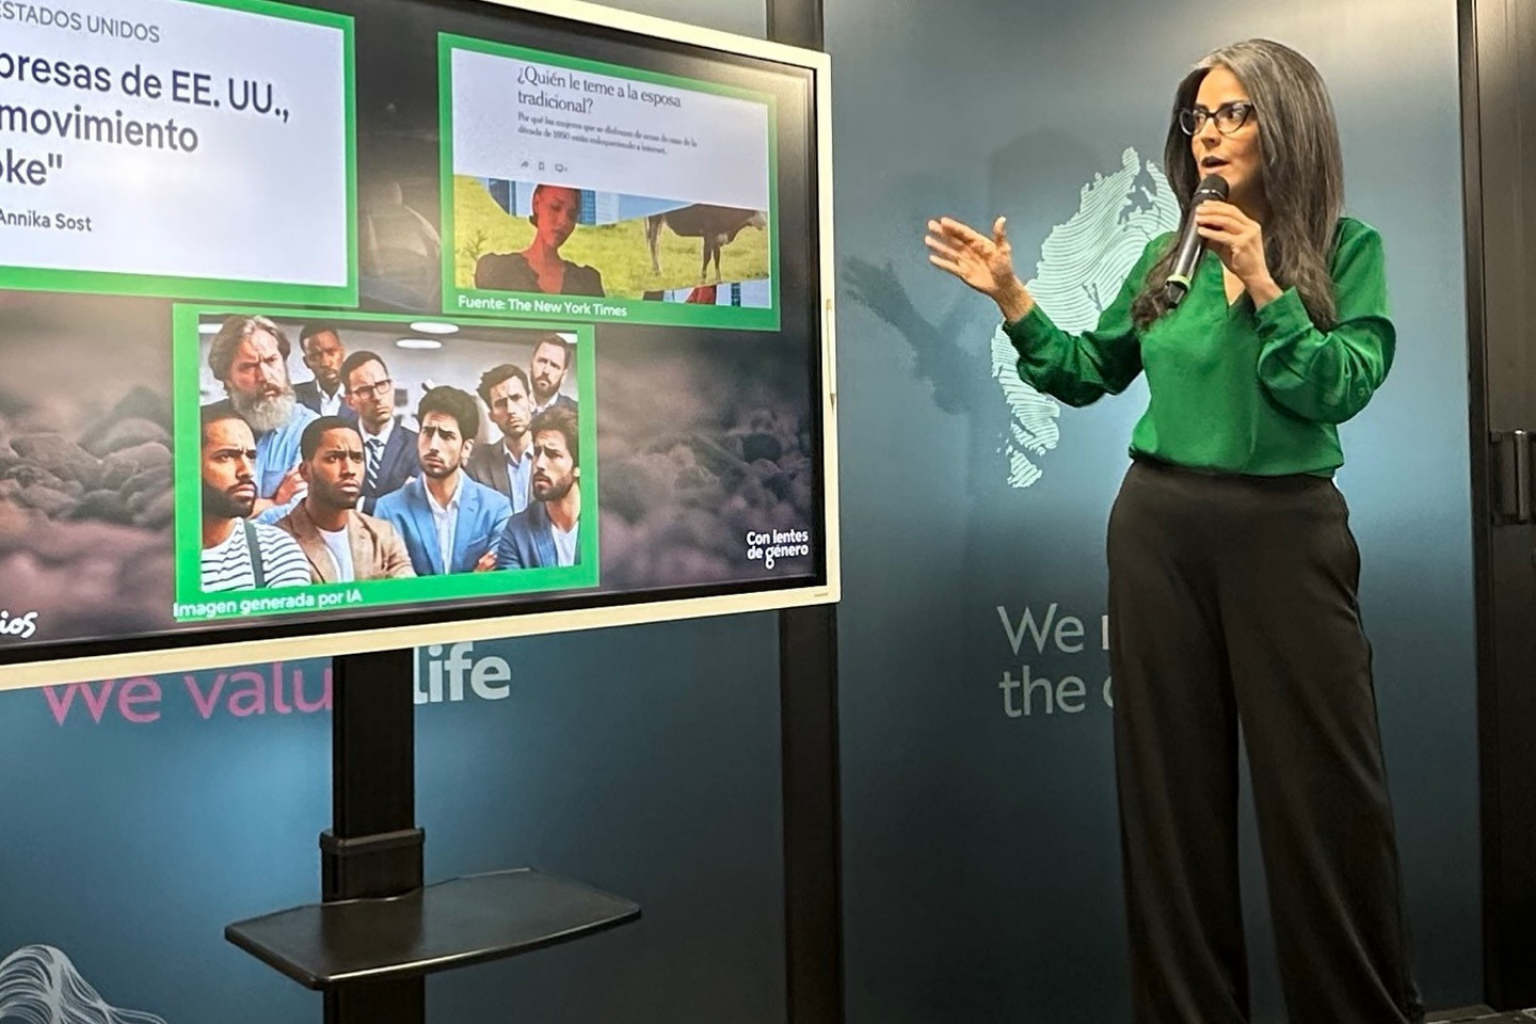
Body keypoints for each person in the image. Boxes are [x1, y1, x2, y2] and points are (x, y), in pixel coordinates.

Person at [924, 39, 1422, 1024]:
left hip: (1288, 535)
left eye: (1234, 113)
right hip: (1158, 530)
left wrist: (1266, 284)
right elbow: (1086, 370)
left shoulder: (1346, 249)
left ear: (1288, 125)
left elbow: (1333, 385)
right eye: (1200, 116)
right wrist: (1015, 299)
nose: (1210, 135)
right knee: (1171, 810)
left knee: (1326, 804)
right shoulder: (1167, 258)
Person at [374, 386, 511, 575]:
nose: (433, 446)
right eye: (428, 432)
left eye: (446, 436)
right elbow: (393, 589)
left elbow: (499, 583)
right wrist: (473, 580)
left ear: (466, 448)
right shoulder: (388, 509)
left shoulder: (496, 509)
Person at [275, 417, 415, 583]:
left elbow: (407, 599)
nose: (349, 470)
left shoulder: (383, 535)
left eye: (357, 458)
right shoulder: (278, 541)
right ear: (305, 472)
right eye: (333, 458)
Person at [198, 406, 310, 592]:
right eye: (225, 456)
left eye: (251, 457)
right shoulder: (153, 559)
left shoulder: (275, 551)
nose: (247, 471)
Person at [473, 184, 605, 296]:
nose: (563, 222)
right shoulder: (497, 269)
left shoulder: (588, 281)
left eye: (571, 215)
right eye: (555, 207)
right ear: (536, 204)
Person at [496, 405, 581, 569]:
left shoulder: (604, 522)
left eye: (553, 454)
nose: (539, 464)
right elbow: (517, 592)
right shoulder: (517, 531)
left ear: (577, 466)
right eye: (537, 452)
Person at [339, 350, 417, 513]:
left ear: (392, 388)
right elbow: (332, 500)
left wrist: (360, 504)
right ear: (350, 401)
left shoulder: (416, 445)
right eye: (365, 390)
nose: (377, 397)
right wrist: (396, 501)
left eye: (382, 385)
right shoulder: (338, 442)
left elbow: (416, 505)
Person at [467, 363, 535, 513]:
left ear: (531, 402)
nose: (510, 410)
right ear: (491, 415)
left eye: (516, 398)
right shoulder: (477, 465)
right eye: (500, 404)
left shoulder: (554, 455)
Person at [293, 323, 357, 424]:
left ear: (342, 353)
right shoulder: (293, 399)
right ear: (306, 362)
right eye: (315, 356)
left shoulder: (364, 396)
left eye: (331, 352)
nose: (326, 363)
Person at [528, 334, 577, 416]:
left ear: (564, 375)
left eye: (554, 366)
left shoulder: (576, 413)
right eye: (542, 361)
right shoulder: (514, 408)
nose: (546, 371)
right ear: (531, 364)